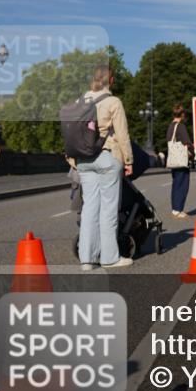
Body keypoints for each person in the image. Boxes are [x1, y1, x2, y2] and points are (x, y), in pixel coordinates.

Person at [74, 66, 134, 270]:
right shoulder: (113, 102)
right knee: (108, 210)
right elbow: (122, 135)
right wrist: (128, 161)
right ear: (112, 80)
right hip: (106, 156)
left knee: (89, 208)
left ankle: (87, 259)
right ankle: (110, 258)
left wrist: (72, 158)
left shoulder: (79, 102)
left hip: (83, 160)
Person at [166, 104, 194, 218]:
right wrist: (193, 152)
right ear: (182, 114)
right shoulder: (180, 126)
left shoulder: (170, 126)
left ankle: (175, 208)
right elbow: (186, 141)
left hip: (174, 159)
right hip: (181, 160)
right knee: (183, 184)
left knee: (176, 183)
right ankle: (178, 209)